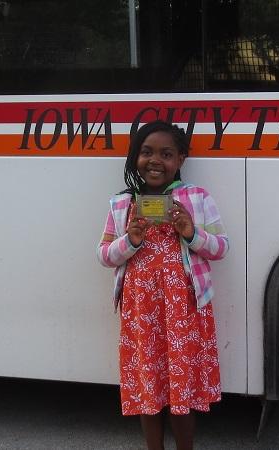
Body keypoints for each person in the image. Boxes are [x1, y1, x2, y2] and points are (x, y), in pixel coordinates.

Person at [97, 120, 229, 450]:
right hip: (142, 313)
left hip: (184, 310)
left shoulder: (197, 198)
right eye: (146, 152)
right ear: (135, 157)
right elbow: (104, 255)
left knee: (181, 389)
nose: (155, 160)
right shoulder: (121, 204)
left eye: (166, 154)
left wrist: (190, 232)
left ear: (181, 160)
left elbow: (222, 248)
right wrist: (131, 240)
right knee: (149, 388)